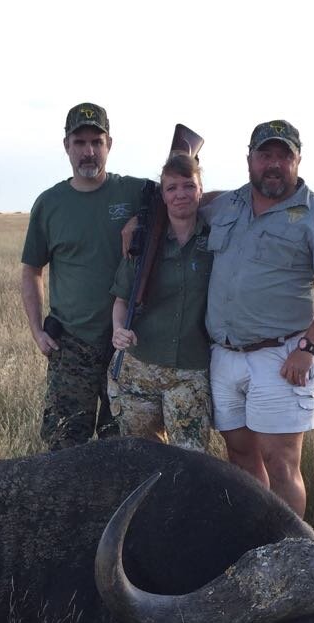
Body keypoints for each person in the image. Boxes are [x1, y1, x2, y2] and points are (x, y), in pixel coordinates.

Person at [204, 119, 314, 516]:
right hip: (224, 355)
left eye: (283, 156)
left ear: (297, 161)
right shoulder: (227, 204)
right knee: (240, 456)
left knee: (281, 463)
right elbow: (181, 206)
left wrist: (308, 348)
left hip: (282, 357)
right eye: (265, 155)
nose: (273, 164)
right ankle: (254, 540)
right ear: (249, 160)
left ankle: (289, 555)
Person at [21, 103, 152, 450]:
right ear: (66, 145)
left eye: (97, 141)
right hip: (70, 346)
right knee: (64, 447)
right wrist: (37, 331)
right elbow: (32, 271)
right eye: (80, 142)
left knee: (124, 447)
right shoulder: (49, 204)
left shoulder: (137, 193)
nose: (88, 151)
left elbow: (187, 194)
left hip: (126, 345)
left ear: (110, 143)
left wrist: (144, 219)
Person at [107, 153, 213, 452]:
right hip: (139, 369)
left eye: (188, 186)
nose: (181, 194)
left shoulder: (217, 238)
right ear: (162, 196)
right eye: (171, 188)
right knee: (143, 461)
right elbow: (121, 299)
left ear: (200, 191)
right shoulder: (142, 241)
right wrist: (118, 329)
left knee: (191, 464)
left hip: (191, 372)